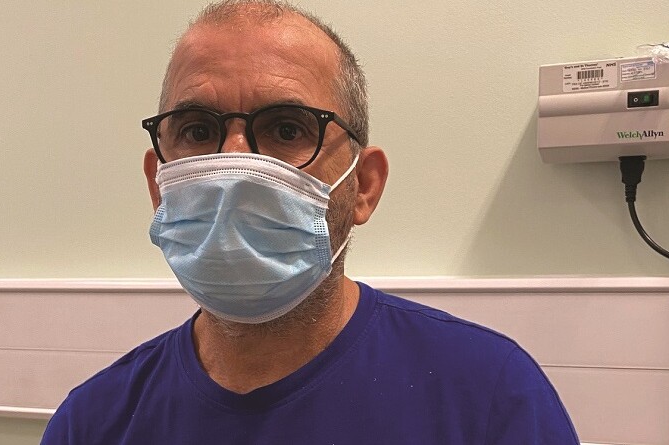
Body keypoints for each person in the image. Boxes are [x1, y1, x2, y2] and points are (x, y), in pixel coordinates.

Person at [41, 1, 579, 443]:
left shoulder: (491, 398)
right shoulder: (90, 424)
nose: (235, 165)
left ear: (364, 185)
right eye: (198, 131)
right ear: (158, 184)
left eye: (287, 129)